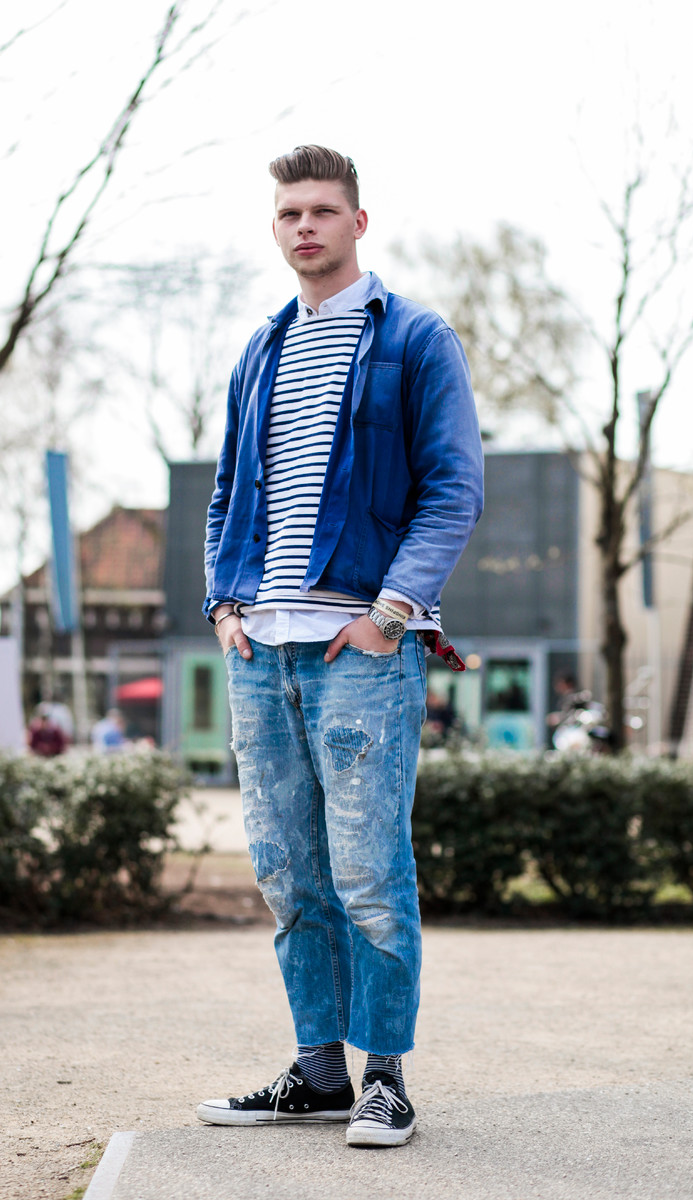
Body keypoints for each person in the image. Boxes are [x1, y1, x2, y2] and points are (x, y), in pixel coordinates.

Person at [198, 146, 483, 1148]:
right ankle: (317, 1071)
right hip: (260, 651)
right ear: (274, 227)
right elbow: (226, 498)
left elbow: (453, 489)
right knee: (286, 872)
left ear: (358, 222)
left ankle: (384, 1079)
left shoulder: (413, 338)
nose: (304, 226)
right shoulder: (260, 350)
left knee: (367, 868)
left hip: (358, 649)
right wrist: (223, 609)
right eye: (289, 213)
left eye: (322, 210)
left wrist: (388, 615)